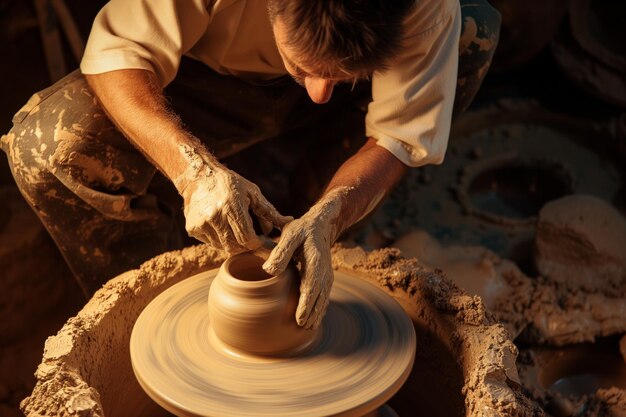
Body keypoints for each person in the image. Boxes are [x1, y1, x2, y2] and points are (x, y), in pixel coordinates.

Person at [1, 0, 500, 329]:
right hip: (204, 78)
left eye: (337, 76)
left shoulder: (427, 6)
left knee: (474, 32)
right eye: (306, 67)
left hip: (353, 96)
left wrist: (333, 212)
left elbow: (397, 135)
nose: (320, 93)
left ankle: (315, 222)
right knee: (48, 149)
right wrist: (192, 170)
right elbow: (119, 54)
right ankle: (158, 311)